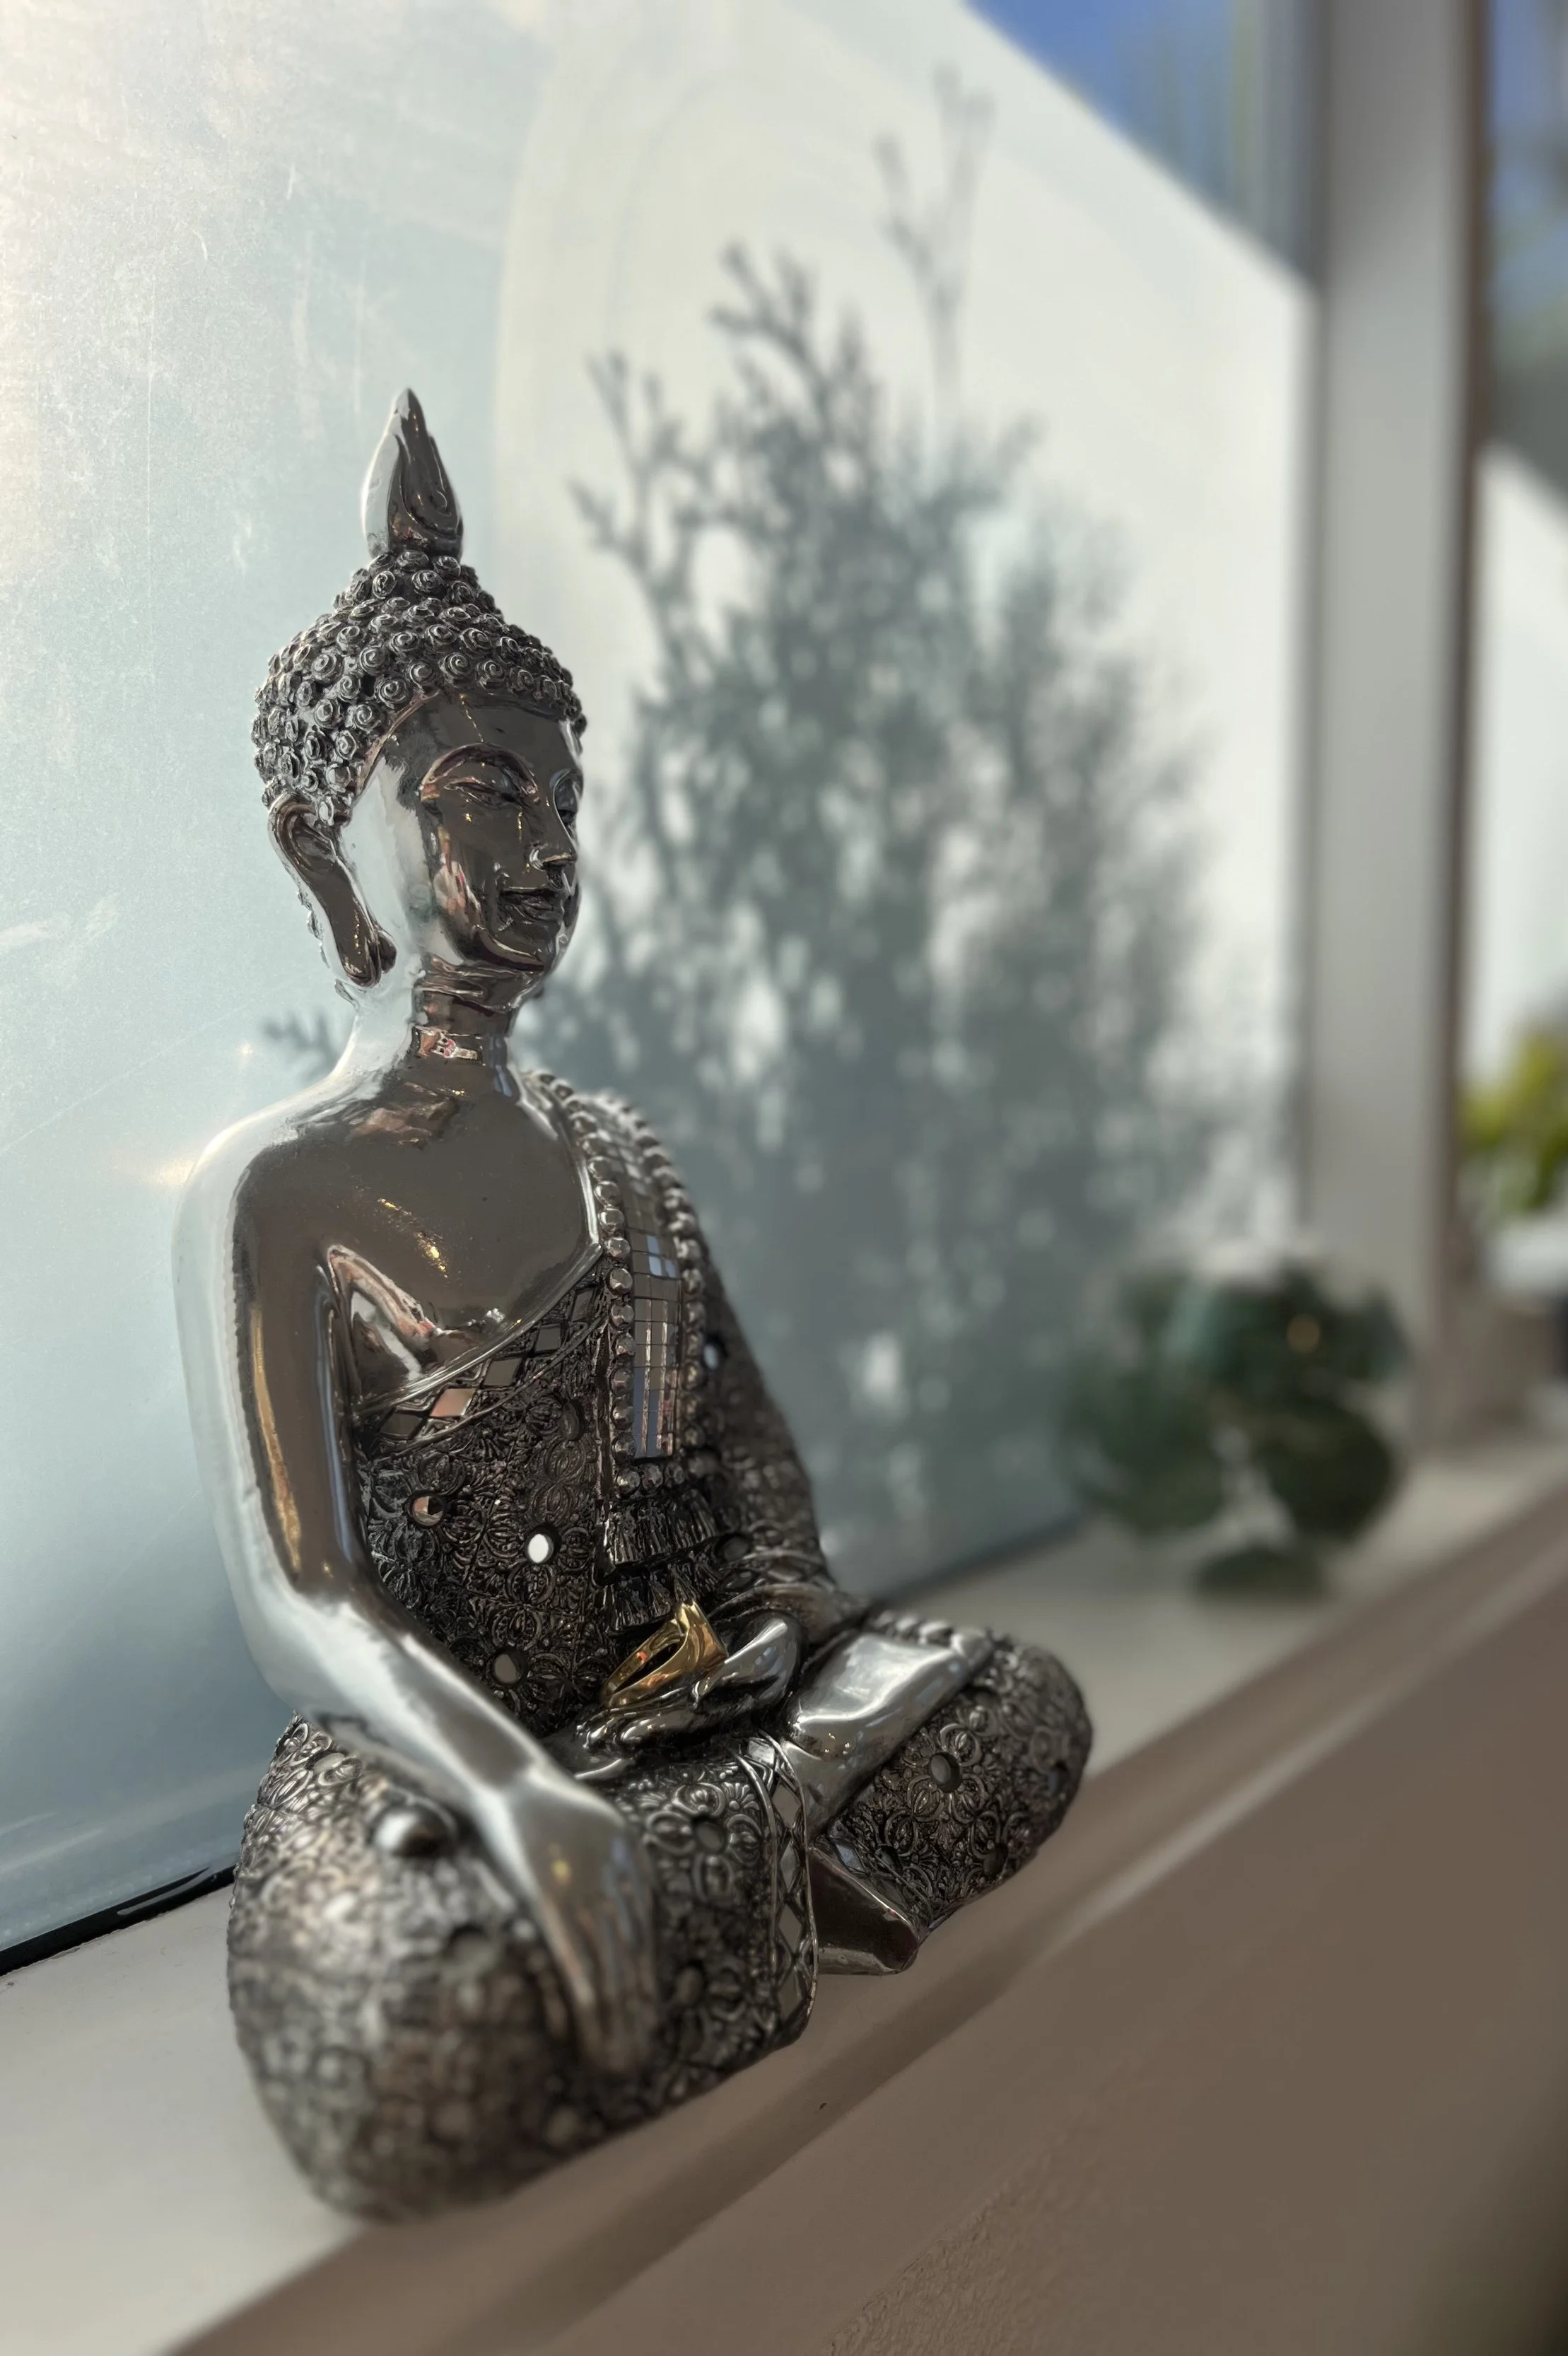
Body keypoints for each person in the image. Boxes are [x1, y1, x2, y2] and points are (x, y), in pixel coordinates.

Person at [175, 392, 1089, 2218]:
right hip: (448, 1757)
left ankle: (709, 1882)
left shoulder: (617, 1156)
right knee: (409, 2036)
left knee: (1021, 1705)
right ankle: (756, 1882)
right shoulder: (274, 1196)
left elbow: (757, 1500)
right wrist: (519, 1798)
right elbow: (303, 1594)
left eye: (566, 801)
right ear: (313, 844)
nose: (541, 851)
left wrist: (785, 1651)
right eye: (482, 794)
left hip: (695, 1714)